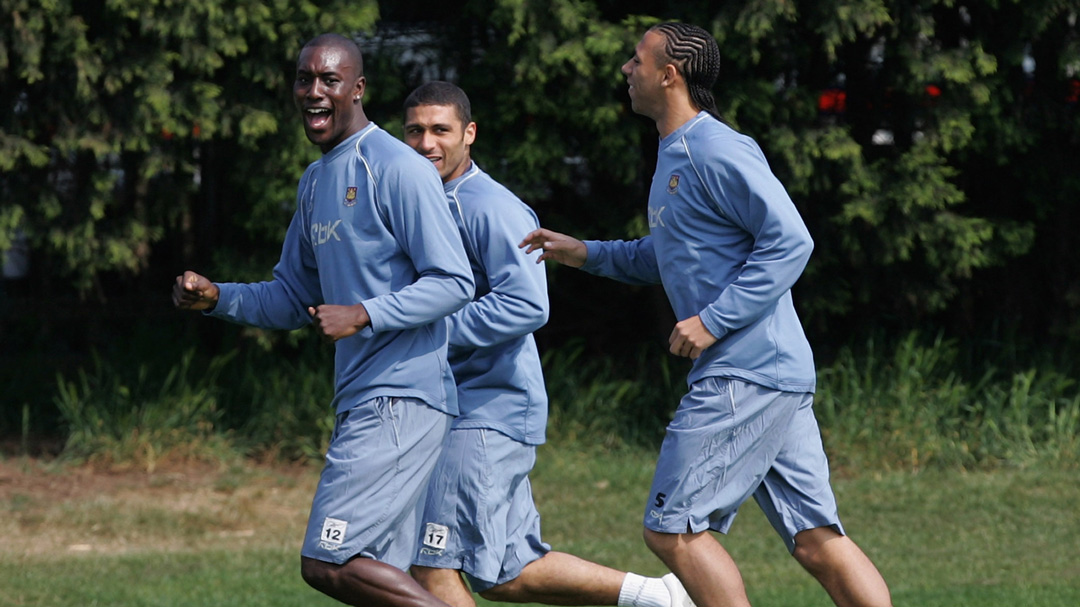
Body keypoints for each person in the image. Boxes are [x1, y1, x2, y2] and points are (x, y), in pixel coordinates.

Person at [520, 22, 893, 607]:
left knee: (672, 530)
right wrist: (584, 253)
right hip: (772, 373)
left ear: (669, 75)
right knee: (817, 540)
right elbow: (667, 256)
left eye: (636, 60)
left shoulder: (713, 148)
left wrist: (715, 320)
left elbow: (791, 241)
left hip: (744, 372)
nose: (626, 69)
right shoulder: (676, 153)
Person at [172, 34, 475, 607]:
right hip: (364, 400)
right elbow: (292, 297)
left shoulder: (396, 167)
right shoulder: (315, 183)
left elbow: (454, 281)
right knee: (378, 579)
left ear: (357, 89)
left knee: (328, 559)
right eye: (304, 79)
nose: (314, 91)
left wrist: (365, 314)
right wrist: (216, 298)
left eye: (329, 80)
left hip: (402, 400)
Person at [401, 81, 694, 607]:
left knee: (430, 566)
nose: (427, 144)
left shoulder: (489, 207)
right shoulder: (420, 202)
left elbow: (527, 305)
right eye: (415, 131)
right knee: (506, 572)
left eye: (440, 130)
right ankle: (659, 598)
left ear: (468, 134)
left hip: (485, 412)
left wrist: (427, 333)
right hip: (453, 413)